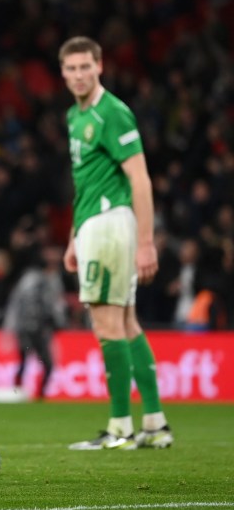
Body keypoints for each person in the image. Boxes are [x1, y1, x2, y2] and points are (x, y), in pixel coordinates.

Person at [59, 36, 173, 450]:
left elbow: (140, 178)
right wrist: (73, 237)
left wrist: (147, 242)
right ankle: (156, 424)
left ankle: (120, 427)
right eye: (70, 69)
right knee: (126, 323)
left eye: (84, 67)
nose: (77, 75)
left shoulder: (113, 112)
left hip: (111, 225)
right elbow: (84, 183)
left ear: (100, 66)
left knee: (107, 325)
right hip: (94, 225)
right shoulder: (75, 115)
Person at [2, 245, 67, 400]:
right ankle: (20, 392)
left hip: (38, 329)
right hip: (28, 328)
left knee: (37, 363)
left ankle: (39, 395)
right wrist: (10, 326)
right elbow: (18, 303)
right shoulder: (34, 279)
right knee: (27, 361)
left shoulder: (46, 280)